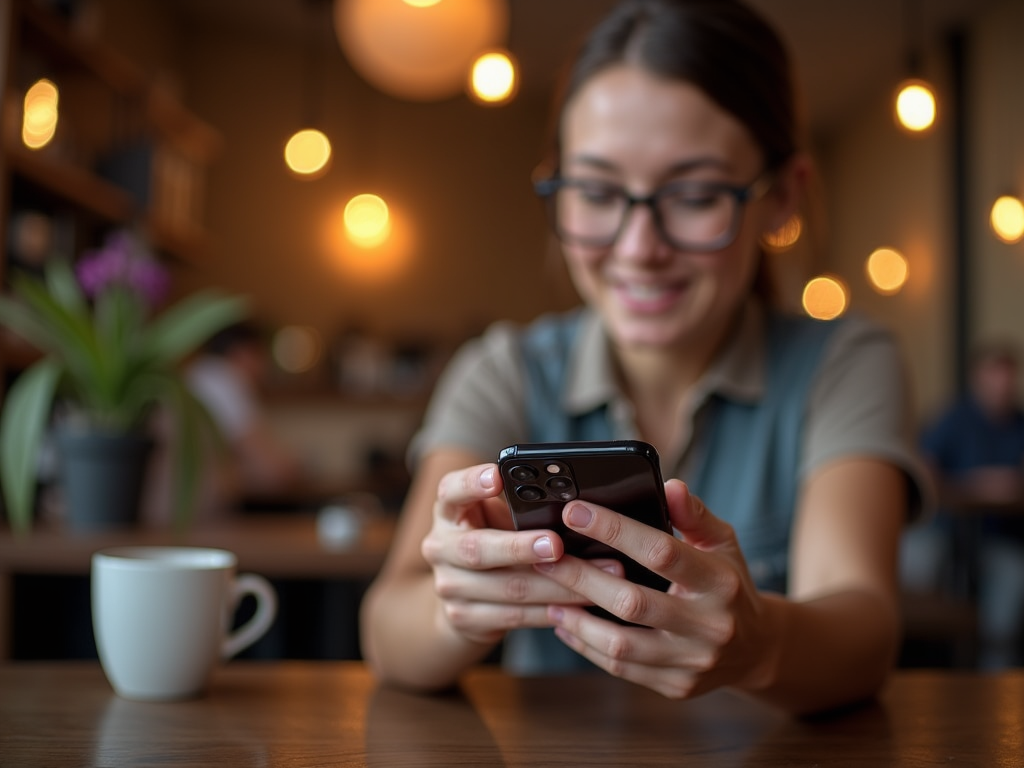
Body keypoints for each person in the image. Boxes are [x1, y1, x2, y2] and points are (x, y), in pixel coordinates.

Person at [360, 0, 923, 714]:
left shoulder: (844, 362)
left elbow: (864, 629)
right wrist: (457, 609)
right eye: (596, 192)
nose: (638, 249)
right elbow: (388, 628)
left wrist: (759, 644)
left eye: (692, 195)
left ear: (781, 197)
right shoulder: (503, 368)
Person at [907, 341, 1024, 668]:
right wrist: (976, 483)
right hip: (944, 530)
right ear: (978, 378)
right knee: (917, 568)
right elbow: (923, 470)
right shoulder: (955, 419)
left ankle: (995, 681)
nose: (1002, 384)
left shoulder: (1018, 423)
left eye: (1008, 376)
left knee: (1012, 580)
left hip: (998, 536)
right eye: (995, 375)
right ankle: (926, 666)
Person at [184, 321, 305, 513]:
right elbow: (275, 472)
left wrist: (233, 471)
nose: (264, 367)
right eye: (261, 355)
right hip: (205, 517)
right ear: (241, 352)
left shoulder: (195, 375)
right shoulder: (224, 381)